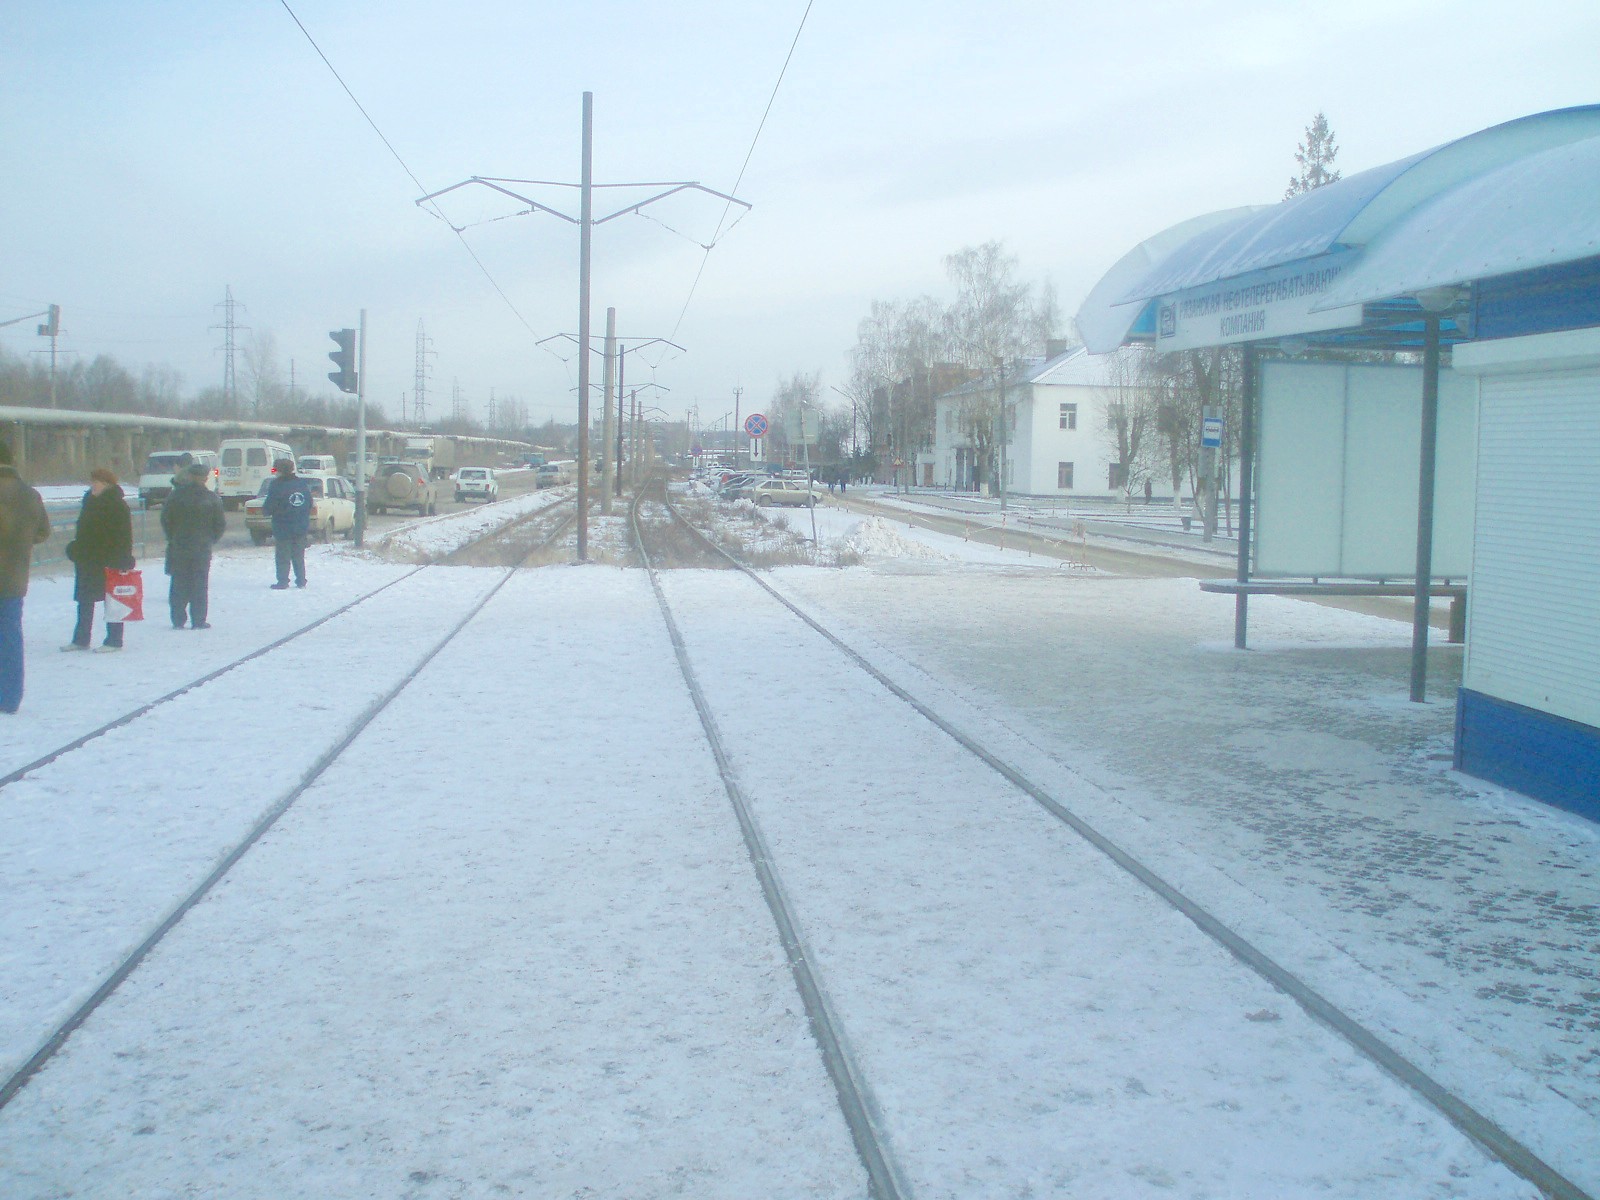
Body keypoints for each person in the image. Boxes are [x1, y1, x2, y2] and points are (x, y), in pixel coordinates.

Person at [0, 441, 52, 713]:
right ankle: (9, 698)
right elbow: (43, 532)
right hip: (14, 578)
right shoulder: (30, 495)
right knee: (10, 636)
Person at [64, 467, 135, 652]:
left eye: (96, 482)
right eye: (92, 482)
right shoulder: (89, 502)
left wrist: (123, 558)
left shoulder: (117, 505)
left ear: (107, 484)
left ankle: (114, 640)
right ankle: (81, 639)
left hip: (109, 560)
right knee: (84, 601)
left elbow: (124, 535)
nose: (93, 485)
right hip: (87, 559)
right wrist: (76, 548)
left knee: (112, 601)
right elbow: (84, 531)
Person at [161, 460, 225, 628]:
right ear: (205, 478)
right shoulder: (212, 498)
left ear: (189, 476)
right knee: (199, 584)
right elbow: (219, 525)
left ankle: (178, 619)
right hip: (201, 548)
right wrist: (210, 539)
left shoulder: (175, 496)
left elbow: (166, 520)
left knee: (178, 583)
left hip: (179, 546)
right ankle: (198, 619)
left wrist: (173, 537)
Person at [262, 458, 312, 589]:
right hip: (301, 525)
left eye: (275, 469)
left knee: (283, 555)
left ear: (280, 471)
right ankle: (301, 580)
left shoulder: (277, 485)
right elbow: (309, 503)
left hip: (283, 527)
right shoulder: (301, 484)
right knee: (298, 555)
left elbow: (270, 506)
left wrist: (266, 511)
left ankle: (283, 581)